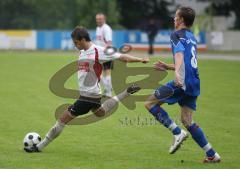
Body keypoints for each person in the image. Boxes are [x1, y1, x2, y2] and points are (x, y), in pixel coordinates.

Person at [24, 26, 149, 153]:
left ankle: (39, 147)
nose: (75, 45)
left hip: (88, 96)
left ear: (83, 39)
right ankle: (126, 92)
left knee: (63, 119)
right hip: (93, 95)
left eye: (76, 43)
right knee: (101, 112)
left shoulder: (98, 51)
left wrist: (140, 59)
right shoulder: (82, 51)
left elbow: (122, 57)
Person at [144, 7, 221, 163]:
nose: (174, 19)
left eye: (176, 16)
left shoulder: (176, 35)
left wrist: (177, 75)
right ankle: (212, 154)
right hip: (194, 82)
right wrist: (168, 66)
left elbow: (179, 55)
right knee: (187, 120)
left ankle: (177, 133)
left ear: (181, 20)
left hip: (183, 81)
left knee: (150, 102)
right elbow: (188, 63)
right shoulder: (192, 37)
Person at [95, 13, 113, 97]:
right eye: (97, 19)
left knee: (106, 72)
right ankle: (108, 89)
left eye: (100, 19)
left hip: (106, 53)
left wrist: (102, 52)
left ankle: (108, 91)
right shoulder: (98, 28)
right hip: (100, 53)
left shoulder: (106, 29)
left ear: (104, 19)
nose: (98, 20)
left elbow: (109, 43)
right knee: (99, 72)